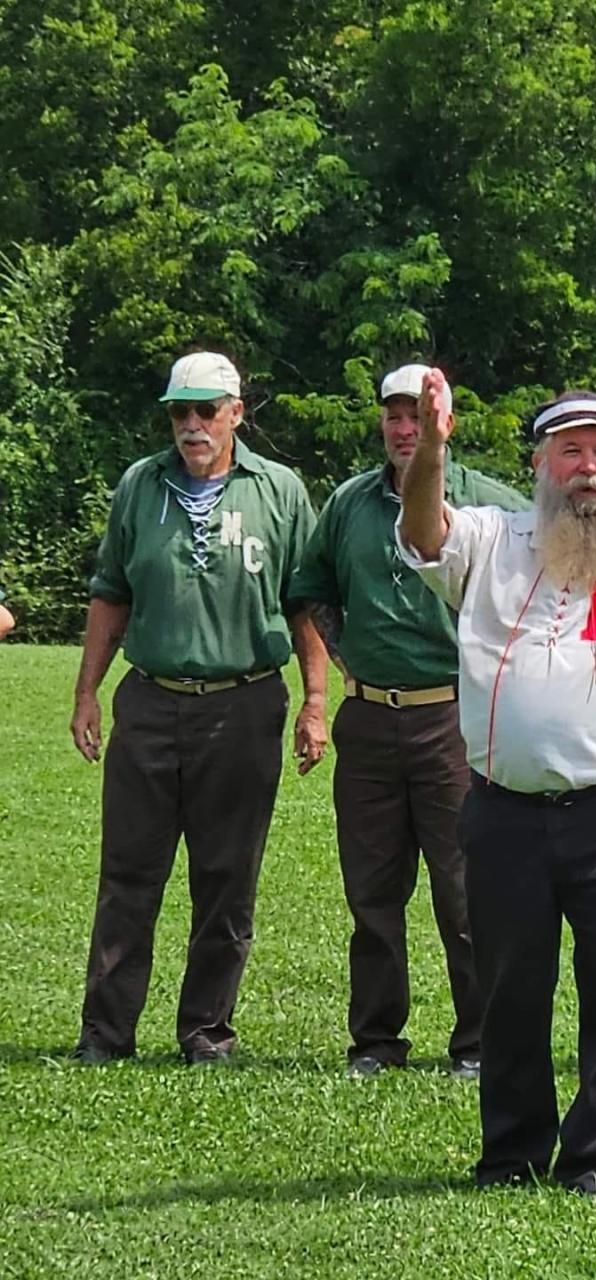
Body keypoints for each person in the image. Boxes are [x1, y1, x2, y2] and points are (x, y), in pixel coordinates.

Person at [398, 376, 596, 1195]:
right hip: (504, 812)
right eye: (571, 450)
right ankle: (511, 1156)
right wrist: (433, 447)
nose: (588, 467)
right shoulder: (490, 542)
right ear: (540, 462)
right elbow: (422, 530)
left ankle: (594, 1156)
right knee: (510, 986)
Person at [70, 350, 327, 1065]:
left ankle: (206, 1032)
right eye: (179, 412)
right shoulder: (140, 486)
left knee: (226, 879)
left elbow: (304, 603)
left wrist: (314, 701)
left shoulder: (278, 492)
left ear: (236, 413)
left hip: (243, 706)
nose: (191, 425)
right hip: (150, 703)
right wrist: (87, 690)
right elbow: (110, 590)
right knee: (128, 874)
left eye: (205, 411)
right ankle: (107, 1033)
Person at [288, 364, 529, 1080]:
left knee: (466, 891)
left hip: (455, 718)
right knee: (372, 892)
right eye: (395, 416)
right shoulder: (349, 504)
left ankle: (479, 1044)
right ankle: (375, 1041)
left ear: (446, 424)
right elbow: (311, 589)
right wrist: (348, 656)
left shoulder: (491, 506)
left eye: (419, 418)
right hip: (369, 718)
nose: (404, 430)